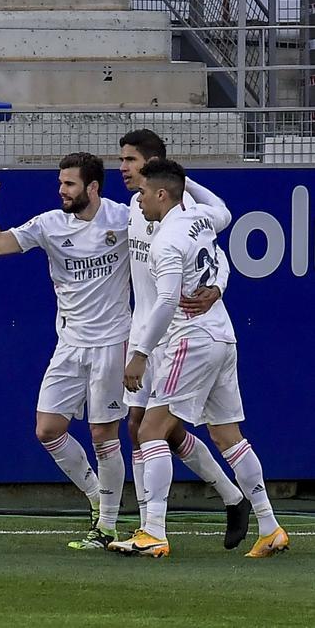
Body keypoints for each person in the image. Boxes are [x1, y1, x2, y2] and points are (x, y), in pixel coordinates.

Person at [109, 159, 289, 558]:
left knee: (151, 432)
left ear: (161, 194)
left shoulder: (167, 239)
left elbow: (168, 299)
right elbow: (224, 210)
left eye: (143, 192)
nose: (138, 200)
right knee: (229, 437)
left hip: (191, 340)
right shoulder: (201, 218)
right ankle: (270, 525)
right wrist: (186, 180)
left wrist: (139, 355)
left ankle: (152, 531)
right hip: (222, 336)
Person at [0, 153, 129, 550]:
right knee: (48, 429)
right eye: (61, 183)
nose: (62, 190)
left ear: (92, 187)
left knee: (102, 434)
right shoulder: (49, 224)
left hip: (112, 342)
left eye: (70, 184)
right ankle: (96, 496)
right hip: (69, 344)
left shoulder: (124, 218)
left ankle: (107, 526)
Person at [117, 129, 250, 548]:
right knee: (152, 427)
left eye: (131, 161)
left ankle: (151, 528)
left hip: (177, 333)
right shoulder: (134, 208)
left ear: (154, 167)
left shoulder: (181, 208)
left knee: (150, 427)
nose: (124, 168)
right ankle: (231, 496)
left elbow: (218, 255)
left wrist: (220, 285)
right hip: (148, 329)